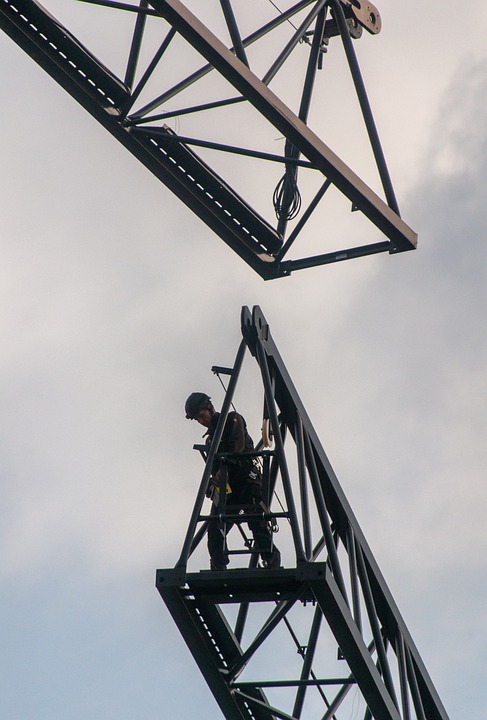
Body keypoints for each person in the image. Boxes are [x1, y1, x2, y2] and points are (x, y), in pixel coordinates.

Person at [185, 392, 280, 571]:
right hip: (229, 488)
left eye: (201, 415)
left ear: (210, 408)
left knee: (256, 521)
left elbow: (236, 448)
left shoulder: (232, 420)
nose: (201, 421)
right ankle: (218, 565)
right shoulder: (211, 439)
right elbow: (213, 469)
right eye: (197, 419)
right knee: (215, 526)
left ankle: (271, 559)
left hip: (247, 481)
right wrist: (213, 482)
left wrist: (223, 469)